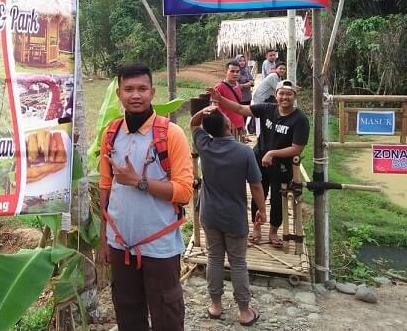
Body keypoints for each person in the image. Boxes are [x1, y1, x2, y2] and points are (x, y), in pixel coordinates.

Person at [99, 63, 193, 331]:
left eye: (142, 89)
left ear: (152, 92)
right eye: (128, 89)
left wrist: (139, 182)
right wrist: (104, 239)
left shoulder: (170, 134)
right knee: (128, 315)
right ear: (119, 93)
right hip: (119, 244)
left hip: (159, 246)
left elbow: (185, 192)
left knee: (167, 316)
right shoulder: (111, 133)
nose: (135, 95)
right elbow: (106, 187)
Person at [207, 79, 309, 248]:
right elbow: (241, 109)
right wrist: (219, 99)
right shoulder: (267, 109)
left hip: (282, 166)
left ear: (294, 96)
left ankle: (273, 231)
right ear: (275, 95)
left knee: (278, 199)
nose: (285, 97)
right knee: (258, 194)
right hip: (259, 159)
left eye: (289, 94)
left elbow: (296, 149)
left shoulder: (300, 120)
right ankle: (256, 228)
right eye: (281, 93)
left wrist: (272, 153)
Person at [190, 106, 266, 326]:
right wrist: (261, 210)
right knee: (238, 263)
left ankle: (215, 305)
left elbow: (194, 125)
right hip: (234, 217)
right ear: (228, 125)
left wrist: (203, 112)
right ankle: (244, 311)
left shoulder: (205, 145)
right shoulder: (244, 152)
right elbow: (256, 186)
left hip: (209, 214)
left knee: (214, 258)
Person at [214, 60, 245, 139]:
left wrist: (243, 124)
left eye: (237, 71)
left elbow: (239, 105)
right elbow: (215, 107)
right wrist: (225, 120)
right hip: (227, 126)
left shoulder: (237, 85)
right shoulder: (219, 87)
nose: (235, 74)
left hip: (239, 125)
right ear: (226, 72)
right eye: (232, 71)